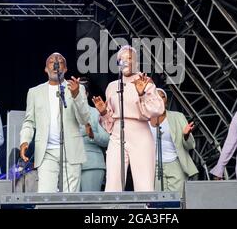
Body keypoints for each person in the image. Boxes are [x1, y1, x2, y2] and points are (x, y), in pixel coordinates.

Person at [92, 45, 165, 191]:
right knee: (113, 182)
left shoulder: (145, 81)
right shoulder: (112, 86)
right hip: (117, 134)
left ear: (136, 62)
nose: (125, 61)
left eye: (129, 58)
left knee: (144, 183)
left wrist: (142, 94)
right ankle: (111, 212)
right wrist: (103, 112)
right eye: (121, 59)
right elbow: (110, 125)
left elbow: (157, 109)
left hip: (140, 132)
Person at [19, 53, 91, 193]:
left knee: (70, 198)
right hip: (46, 151)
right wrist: (24, 141)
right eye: (51, 62)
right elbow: (29, 121)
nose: (55, 64)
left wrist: (76, 96)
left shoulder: (77, 88)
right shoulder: (34, 92)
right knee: (45, 196)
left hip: (71, 149)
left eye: (60, 62)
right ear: (46, 69)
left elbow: (84, 119)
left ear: (65, 69)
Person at [149, 88, 198, 196]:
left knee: (177, 199)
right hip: (153, 165)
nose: (159, 98)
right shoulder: (144, 119)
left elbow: (190, 146)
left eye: (162, 96)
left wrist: (186, 135)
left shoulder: (178, 116)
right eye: (155, 95)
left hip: (175, 163)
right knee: (157, 200)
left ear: (166, 101)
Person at [79, 78, 110, 192]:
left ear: (86, 94)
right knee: (69, 204)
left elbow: (107, 139)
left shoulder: (96, 112)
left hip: (92, 164)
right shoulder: (62, 114)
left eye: (80, 91)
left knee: (90, 204)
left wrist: (93, 135)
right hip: (68, 164)